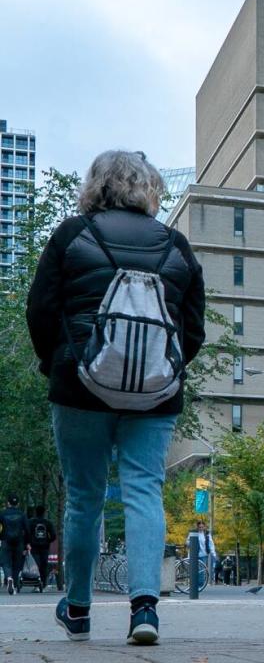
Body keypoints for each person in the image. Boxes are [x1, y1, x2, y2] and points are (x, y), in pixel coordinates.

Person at [27, 150, 205, 645]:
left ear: (96, 185)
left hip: (78, 386)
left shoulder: (71, 235)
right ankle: (144, 609)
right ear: (147, 188)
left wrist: (57, 363)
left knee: (83, 498)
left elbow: (40, 311)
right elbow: (194, 331)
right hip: (154, 395)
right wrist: (162, 371)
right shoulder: (177, 246)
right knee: (144, 490)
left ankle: (79, 609)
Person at [0, 495, 31, 594]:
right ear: (18, 504)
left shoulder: (2, 514)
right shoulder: (22, 515)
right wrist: (28, 543)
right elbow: (27, 530)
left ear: (8, 503)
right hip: (19, 542)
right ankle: (14, 582)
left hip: (6, 541)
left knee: (6, 562)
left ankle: (9, 578)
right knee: (17, 564)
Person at [28, 505, 57, 592]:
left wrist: (29, 542)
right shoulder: (48, 523)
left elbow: (27, 533)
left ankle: (36, 585)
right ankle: (43, 584)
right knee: (44, 566)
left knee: (36, 566)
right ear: (44, 513)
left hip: (34, 547)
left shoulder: (31, 522)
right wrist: (47, 541)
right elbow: (54, 536)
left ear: (35, 512)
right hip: (45, 547)